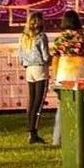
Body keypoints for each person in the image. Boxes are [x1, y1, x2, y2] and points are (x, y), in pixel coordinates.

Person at [50, 11, 84, 145]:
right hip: (81, 71)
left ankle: (57, 138)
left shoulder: (60, 39)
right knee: (83, 105)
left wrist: (55, 76)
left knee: (62, 106)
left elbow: (55, 58)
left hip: (64, 72)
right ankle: (83, 137)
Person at [17, 12, 51, 144]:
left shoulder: (23, 37)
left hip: (28, 69)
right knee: (39, 101)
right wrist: (51, 59)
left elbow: (20, 55)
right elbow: (46, 56)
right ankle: (33, 131)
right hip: (39, 68)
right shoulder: (41, 37)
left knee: (31, 101)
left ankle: (30, 129)